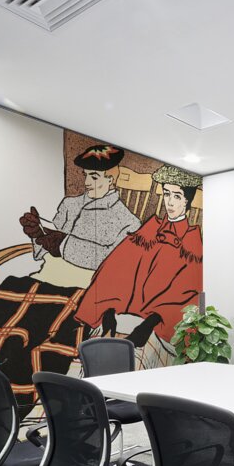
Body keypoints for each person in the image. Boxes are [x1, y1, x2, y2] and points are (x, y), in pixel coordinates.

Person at [73, 164, 203, 360]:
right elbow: (118, 267)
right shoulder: (150, 231)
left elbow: (186, 293)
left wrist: (151, 322)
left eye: (177, 196)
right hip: (125, 308)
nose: (170, 202)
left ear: (187, 201)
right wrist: (109, 311)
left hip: (156, 320)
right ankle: (110, 317)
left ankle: (146, 327)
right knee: (123, 262)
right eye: (167, 194)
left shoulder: (191, 245)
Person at [19, 144, 140, 288]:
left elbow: (114, 262)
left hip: (83, 289)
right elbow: (46, 250)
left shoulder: (129, 222)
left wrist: (63, 245)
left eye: (94, 177)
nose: (87, 182)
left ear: (111, 179)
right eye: (86, 175)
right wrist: (38, 234)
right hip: (44, 277)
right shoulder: (69, 204)